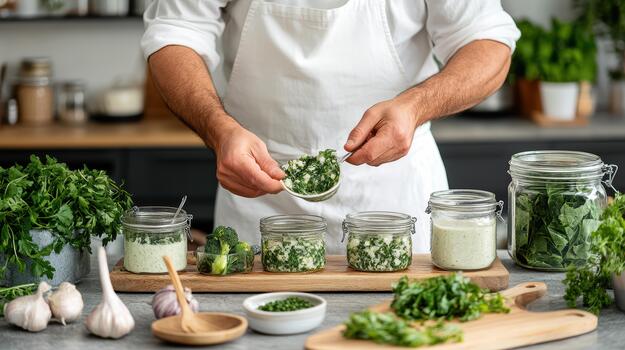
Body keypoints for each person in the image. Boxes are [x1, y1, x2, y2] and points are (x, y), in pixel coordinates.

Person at [141, 0, 520, 253]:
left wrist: (416, 106)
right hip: (260, 196)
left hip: (394, 206)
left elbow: (487, 41)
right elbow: (176, 30)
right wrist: (218, 129)